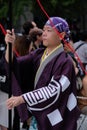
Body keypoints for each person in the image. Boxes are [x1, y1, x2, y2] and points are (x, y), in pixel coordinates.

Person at [5, 17, 80, 130]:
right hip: (39, 115)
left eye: (49, 30)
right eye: (43, 30)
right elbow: (14, 64)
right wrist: (9, 45)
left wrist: (22, 98)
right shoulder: (38, 54)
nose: (44, 34)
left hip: (58, 118)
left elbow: (54, 90)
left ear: (61, 35)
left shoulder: (66, 62)